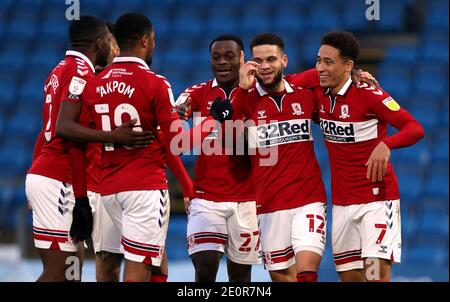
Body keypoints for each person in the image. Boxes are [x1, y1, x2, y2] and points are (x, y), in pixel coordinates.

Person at [79, 12, 232, 282]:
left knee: (119, 265)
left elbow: (80, 136)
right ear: (145, 40)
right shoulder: (156, 83)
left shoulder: (94, 83)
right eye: (153, 40)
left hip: (105, 189)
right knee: (140, 267)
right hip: (143, 189)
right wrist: (211, 121)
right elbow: (178, 143)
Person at [25, 16, 153, 282]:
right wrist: (114, 136)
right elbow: (64, 128)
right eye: (109, 40)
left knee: (72, 273)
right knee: (59, 273)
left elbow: (46, 129)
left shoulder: (60, 69)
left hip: (56, 176)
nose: (112, 45)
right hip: (59, 178)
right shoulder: (80, 73)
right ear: (99, 42)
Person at [314, 31, 424, 281]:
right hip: (342, 204)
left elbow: (415, 128)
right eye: (318, 60)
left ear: (348, 65)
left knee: (375, 277)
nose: (320, 67)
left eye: (328, 62)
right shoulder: (317, 92)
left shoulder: (369, 94)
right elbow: (286, 82)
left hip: (377, 200)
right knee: (351, 278)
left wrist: (386, 144)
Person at [236, 33, 327, 282]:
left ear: (284, 60)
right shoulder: (244, 99)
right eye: (258, 61)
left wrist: (356, 76)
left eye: (271, 59)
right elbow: (228, 136)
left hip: (309, 199)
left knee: (307, 270)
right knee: (282, 276)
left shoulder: (304, 92)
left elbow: (329, 73)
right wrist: (242, 90)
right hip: (269, 204)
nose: (265, 66)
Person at [175, 35, 260, 282]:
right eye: (216, 57)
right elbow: (175, 139)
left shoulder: (258, 92)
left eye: (229, 56)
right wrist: (178, 118)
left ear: (243, 58)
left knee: (241, 276)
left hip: (248, 200)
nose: (222, 62)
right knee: (204, 269)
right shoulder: (196, 93)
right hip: (207, 198)